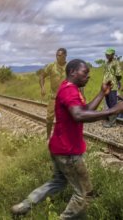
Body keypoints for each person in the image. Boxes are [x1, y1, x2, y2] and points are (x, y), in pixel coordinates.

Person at [11, 59, 123, 219]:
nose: (88, 76)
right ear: (73, 72)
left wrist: (101, 93)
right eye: (85, 73)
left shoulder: (70, 88)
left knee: (57, 182)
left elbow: (84, 110)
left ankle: (23, 207)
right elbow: (79, 115)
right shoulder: (69, 90)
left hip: (59, 147)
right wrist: (112, 110)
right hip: (68, 152)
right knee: (84, 193)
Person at [39, 48, 68, 139]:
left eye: (59, 55)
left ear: (65, 56)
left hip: (66, 97)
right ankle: (48, 137)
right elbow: (42, 76)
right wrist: (43, 87)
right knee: (50, 117)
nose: (57, 57)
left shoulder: (69, 67)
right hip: (53, 97)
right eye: (56, 55)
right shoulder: (51, 66)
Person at [102, 48, 122, 127]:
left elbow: (119, 75)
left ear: (113, 54)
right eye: (106, 54)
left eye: (109, 54)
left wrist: (117, 82)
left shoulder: (115, 63)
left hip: (112, 86)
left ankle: (112, 122)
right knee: (108, 102)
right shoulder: (107, 63)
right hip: (106, 86)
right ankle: (111, 119)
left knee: (113, 103)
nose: (107, 55)